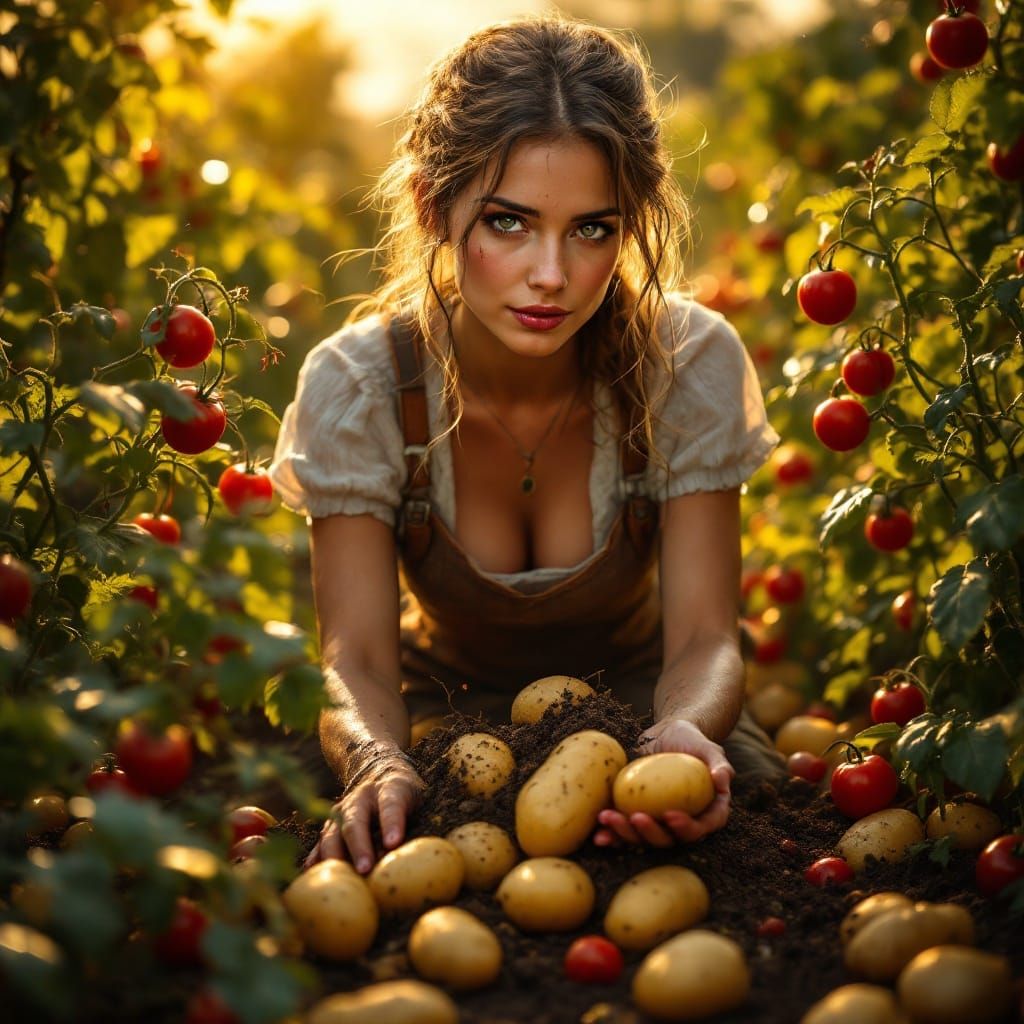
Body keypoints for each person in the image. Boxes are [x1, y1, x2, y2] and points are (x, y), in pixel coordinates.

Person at [269, 13, 784, 875]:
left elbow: (704, 637)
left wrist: (685, 727)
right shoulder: (361, 386)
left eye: (592, 229)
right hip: (433, 706)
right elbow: (353, 656)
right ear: (437, 206)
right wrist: (376, 757)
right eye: (509, 224)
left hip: (641, 697)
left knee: (725, 828)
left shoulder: (683, 363)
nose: (552, 273)